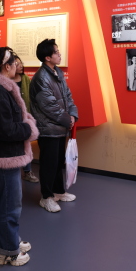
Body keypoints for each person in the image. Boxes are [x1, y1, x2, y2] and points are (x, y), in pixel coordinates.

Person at [0, 47, 38, 266]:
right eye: (13, 61)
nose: (17, 65)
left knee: (7, 204)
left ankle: (9, 241)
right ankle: (8, 251)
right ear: (5, 66)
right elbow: (5, 129)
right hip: (3, 157)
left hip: (2, 155)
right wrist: (29, 128)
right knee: (9, 207)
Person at [30, 39, 78, 213]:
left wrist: (72, 114)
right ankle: (46, 197)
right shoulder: (40, 78)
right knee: (48, 164)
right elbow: (49, 106)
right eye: (56, 52)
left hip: (59, 127)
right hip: (48, 129)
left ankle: (58, 191)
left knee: (58, 162)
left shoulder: (57, 72)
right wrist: (68, 120)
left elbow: (68, 96)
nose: (60, 54)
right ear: (47, 57)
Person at [14, 55, 39, 183]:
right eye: (17, 64)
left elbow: (31, 97)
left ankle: (27, 171)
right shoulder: (5, 80)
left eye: (21, 63)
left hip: (25, 116)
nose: (20, 66)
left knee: (27, 144)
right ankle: (14, 171)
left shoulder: (25, 79)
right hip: (13, 118)